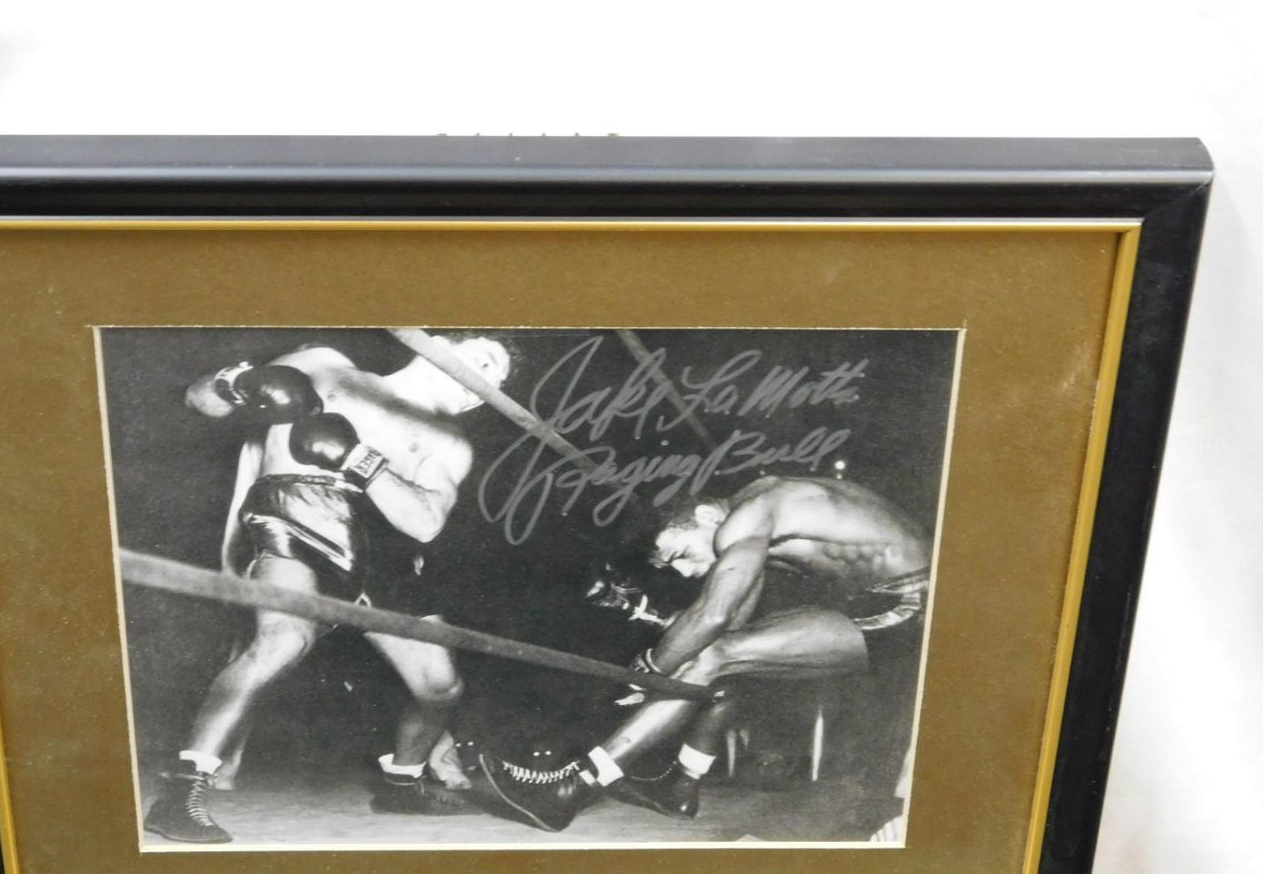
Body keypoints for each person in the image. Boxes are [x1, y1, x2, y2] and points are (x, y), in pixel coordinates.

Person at [144, 329, 512, 843]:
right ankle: (181, 792)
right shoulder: (327, 364)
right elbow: (199, 400)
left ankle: (402, 784)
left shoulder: (451, 443)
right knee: (283, 640)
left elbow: (426, 524)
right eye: (484, 360)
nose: (488, 384)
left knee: (439, 684)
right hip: (296, 514)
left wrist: (359, 458)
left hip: (382, 547)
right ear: (437, 344)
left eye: (498, 381)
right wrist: (239, 382)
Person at [480, 474, 930, 833]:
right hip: (885, 600)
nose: (684, 571)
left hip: (915, 601)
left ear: (705, 514)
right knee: (724, 659)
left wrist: (647, 672)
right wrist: (654, 633)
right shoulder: (761, 525)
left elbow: (713, 618)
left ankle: (575, 787)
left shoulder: (752, 513)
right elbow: (726, 626)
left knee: (716, 656)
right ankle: (681, 785)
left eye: (680, 553)